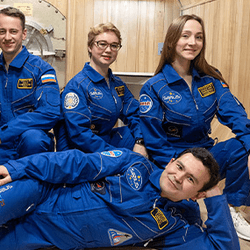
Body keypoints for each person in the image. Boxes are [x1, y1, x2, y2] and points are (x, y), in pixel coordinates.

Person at [139, 14, 250, 240]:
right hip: (174, 159)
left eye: (198, 37)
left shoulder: (211, 78)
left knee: (243, 145)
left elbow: (234, 113)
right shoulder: (154, 87)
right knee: (190, 222)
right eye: (185, 35)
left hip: (206, 153)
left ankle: (231, 208)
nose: (192, 42)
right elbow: (155, 142)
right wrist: (186, 172)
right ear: (172, 40)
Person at [0, 147, 240, 249]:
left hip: (44, 235)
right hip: (39, 194)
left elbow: (222, 247)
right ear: (170, 162)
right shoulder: (133, 163)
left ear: (197, 195)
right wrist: (18, 168)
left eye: (191, 179)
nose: (178, 177)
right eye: (179, 167)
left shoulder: (173, 226)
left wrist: (216, 198)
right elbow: (76, 162)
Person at [54, 22, 147, 157]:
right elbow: (79, 135)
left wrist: (140, 141)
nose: (108, 50)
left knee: (150, 134)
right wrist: (115, 154)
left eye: (114, 45)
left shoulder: (117, 84)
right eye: (102, 44)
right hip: (79, 151)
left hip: (106, 141)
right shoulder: (77, 86)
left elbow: (135, 113)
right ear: (90, 47)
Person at [0, 7, 60, 164]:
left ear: (24, 34)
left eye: (13, 31)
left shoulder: (41, 69)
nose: (7, 37)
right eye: (2, 31)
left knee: (34, 138)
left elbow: (50, 112)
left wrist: (6, 132)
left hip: (27, 146)